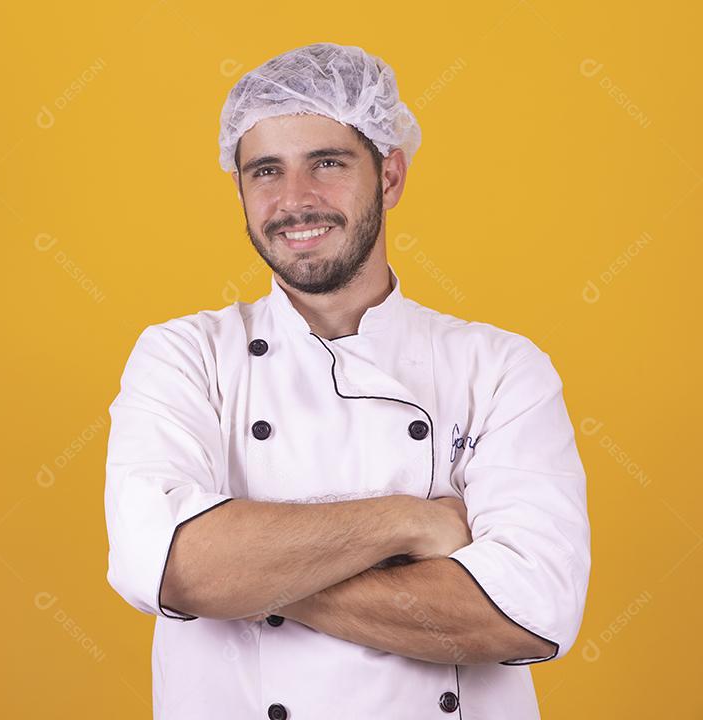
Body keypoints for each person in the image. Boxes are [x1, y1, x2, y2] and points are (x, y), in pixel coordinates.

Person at [103, 42, 590, 719]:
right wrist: (410, 523)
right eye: (265, 170)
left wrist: (242, 579)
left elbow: (526, 613)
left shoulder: (502, 369)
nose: (295, 200)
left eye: (326, 163)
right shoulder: (183, 355)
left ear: (390, 176)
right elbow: (168, 565)